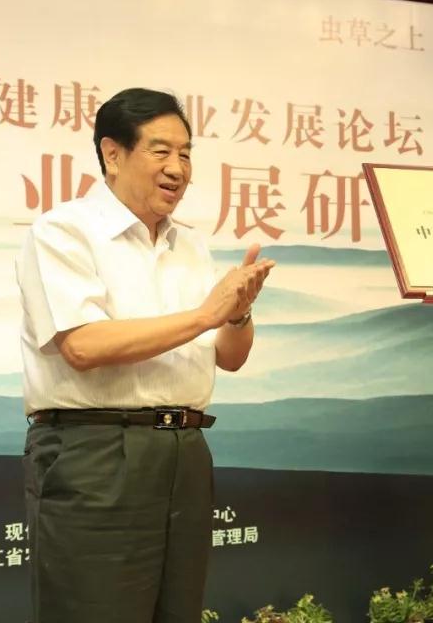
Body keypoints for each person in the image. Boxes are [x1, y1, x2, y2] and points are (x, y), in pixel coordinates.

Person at [16, 87, 274, 623]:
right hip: (97, 453)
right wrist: (206, 314)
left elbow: (229, 358)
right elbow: (83, 345)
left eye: (186, 154)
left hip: (185, 451)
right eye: (161, 151)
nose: (177, 168)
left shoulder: (191, 245)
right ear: (112, 154)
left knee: (177, 612)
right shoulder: (64, 231)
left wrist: (237, 313)